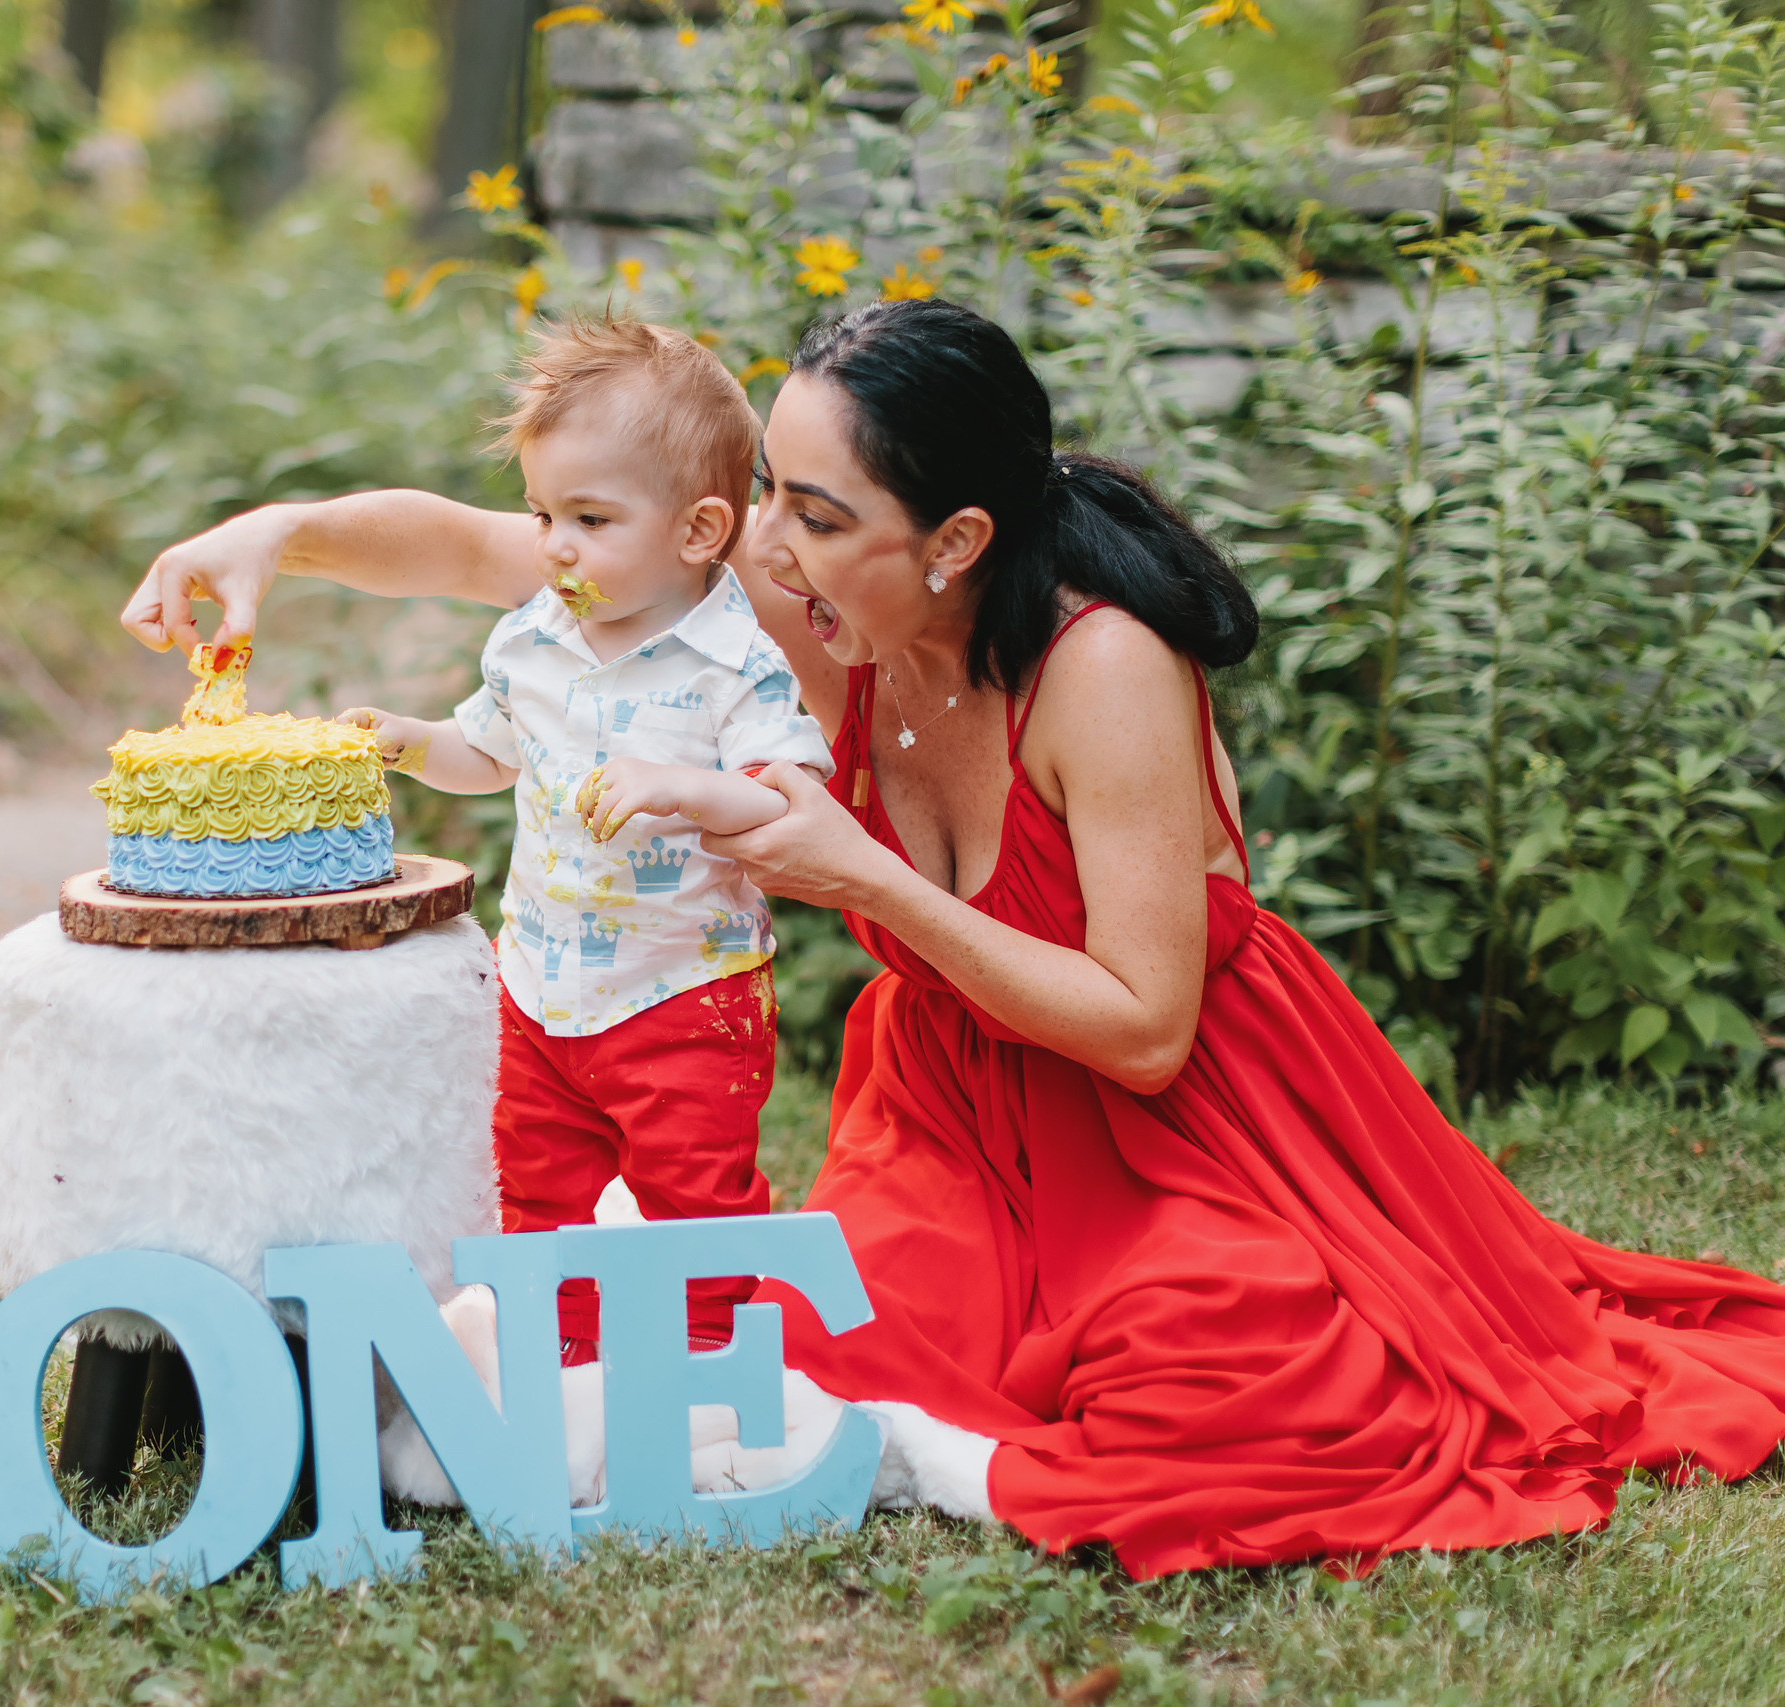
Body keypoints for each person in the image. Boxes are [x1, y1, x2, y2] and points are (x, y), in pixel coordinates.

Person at [120, 297, 1785, 1578]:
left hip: (1192, 1122)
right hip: (950, 1112)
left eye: (820, 512)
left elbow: (1146, 1026)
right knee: (847, 1344)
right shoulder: (817, 595)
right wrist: (274, 535)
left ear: (959, 542)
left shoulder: (1104, 669)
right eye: (770, 490)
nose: (770, 543)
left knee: (1233, 1389)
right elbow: (505, 547)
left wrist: (870, 879)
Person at [336, 318, 833, 1365]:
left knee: (693, 1191)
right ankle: (556, 1352)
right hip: (541, 982)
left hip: (681, 992)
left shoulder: (734, 665)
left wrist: (686, 788)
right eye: (542, 513)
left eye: (589, 518)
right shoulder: (536, 638)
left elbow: (788, 806)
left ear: (699, 532)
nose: (553, 544)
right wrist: (416, 742)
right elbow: (489, 750)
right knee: (536, 1179)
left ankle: (706, 1365)